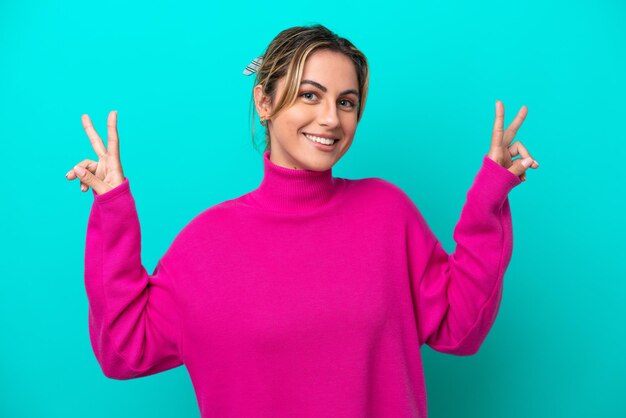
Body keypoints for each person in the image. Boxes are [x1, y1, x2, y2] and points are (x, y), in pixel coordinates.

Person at [66, 24, 539, 418]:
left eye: (347, 102)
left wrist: (488, 200)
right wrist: (113, 212)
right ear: (265, 103)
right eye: (309, 95)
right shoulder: (206, 243)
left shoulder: (387, 213)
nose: (330, 119)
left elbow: (461, 329)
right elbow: (123, 349)